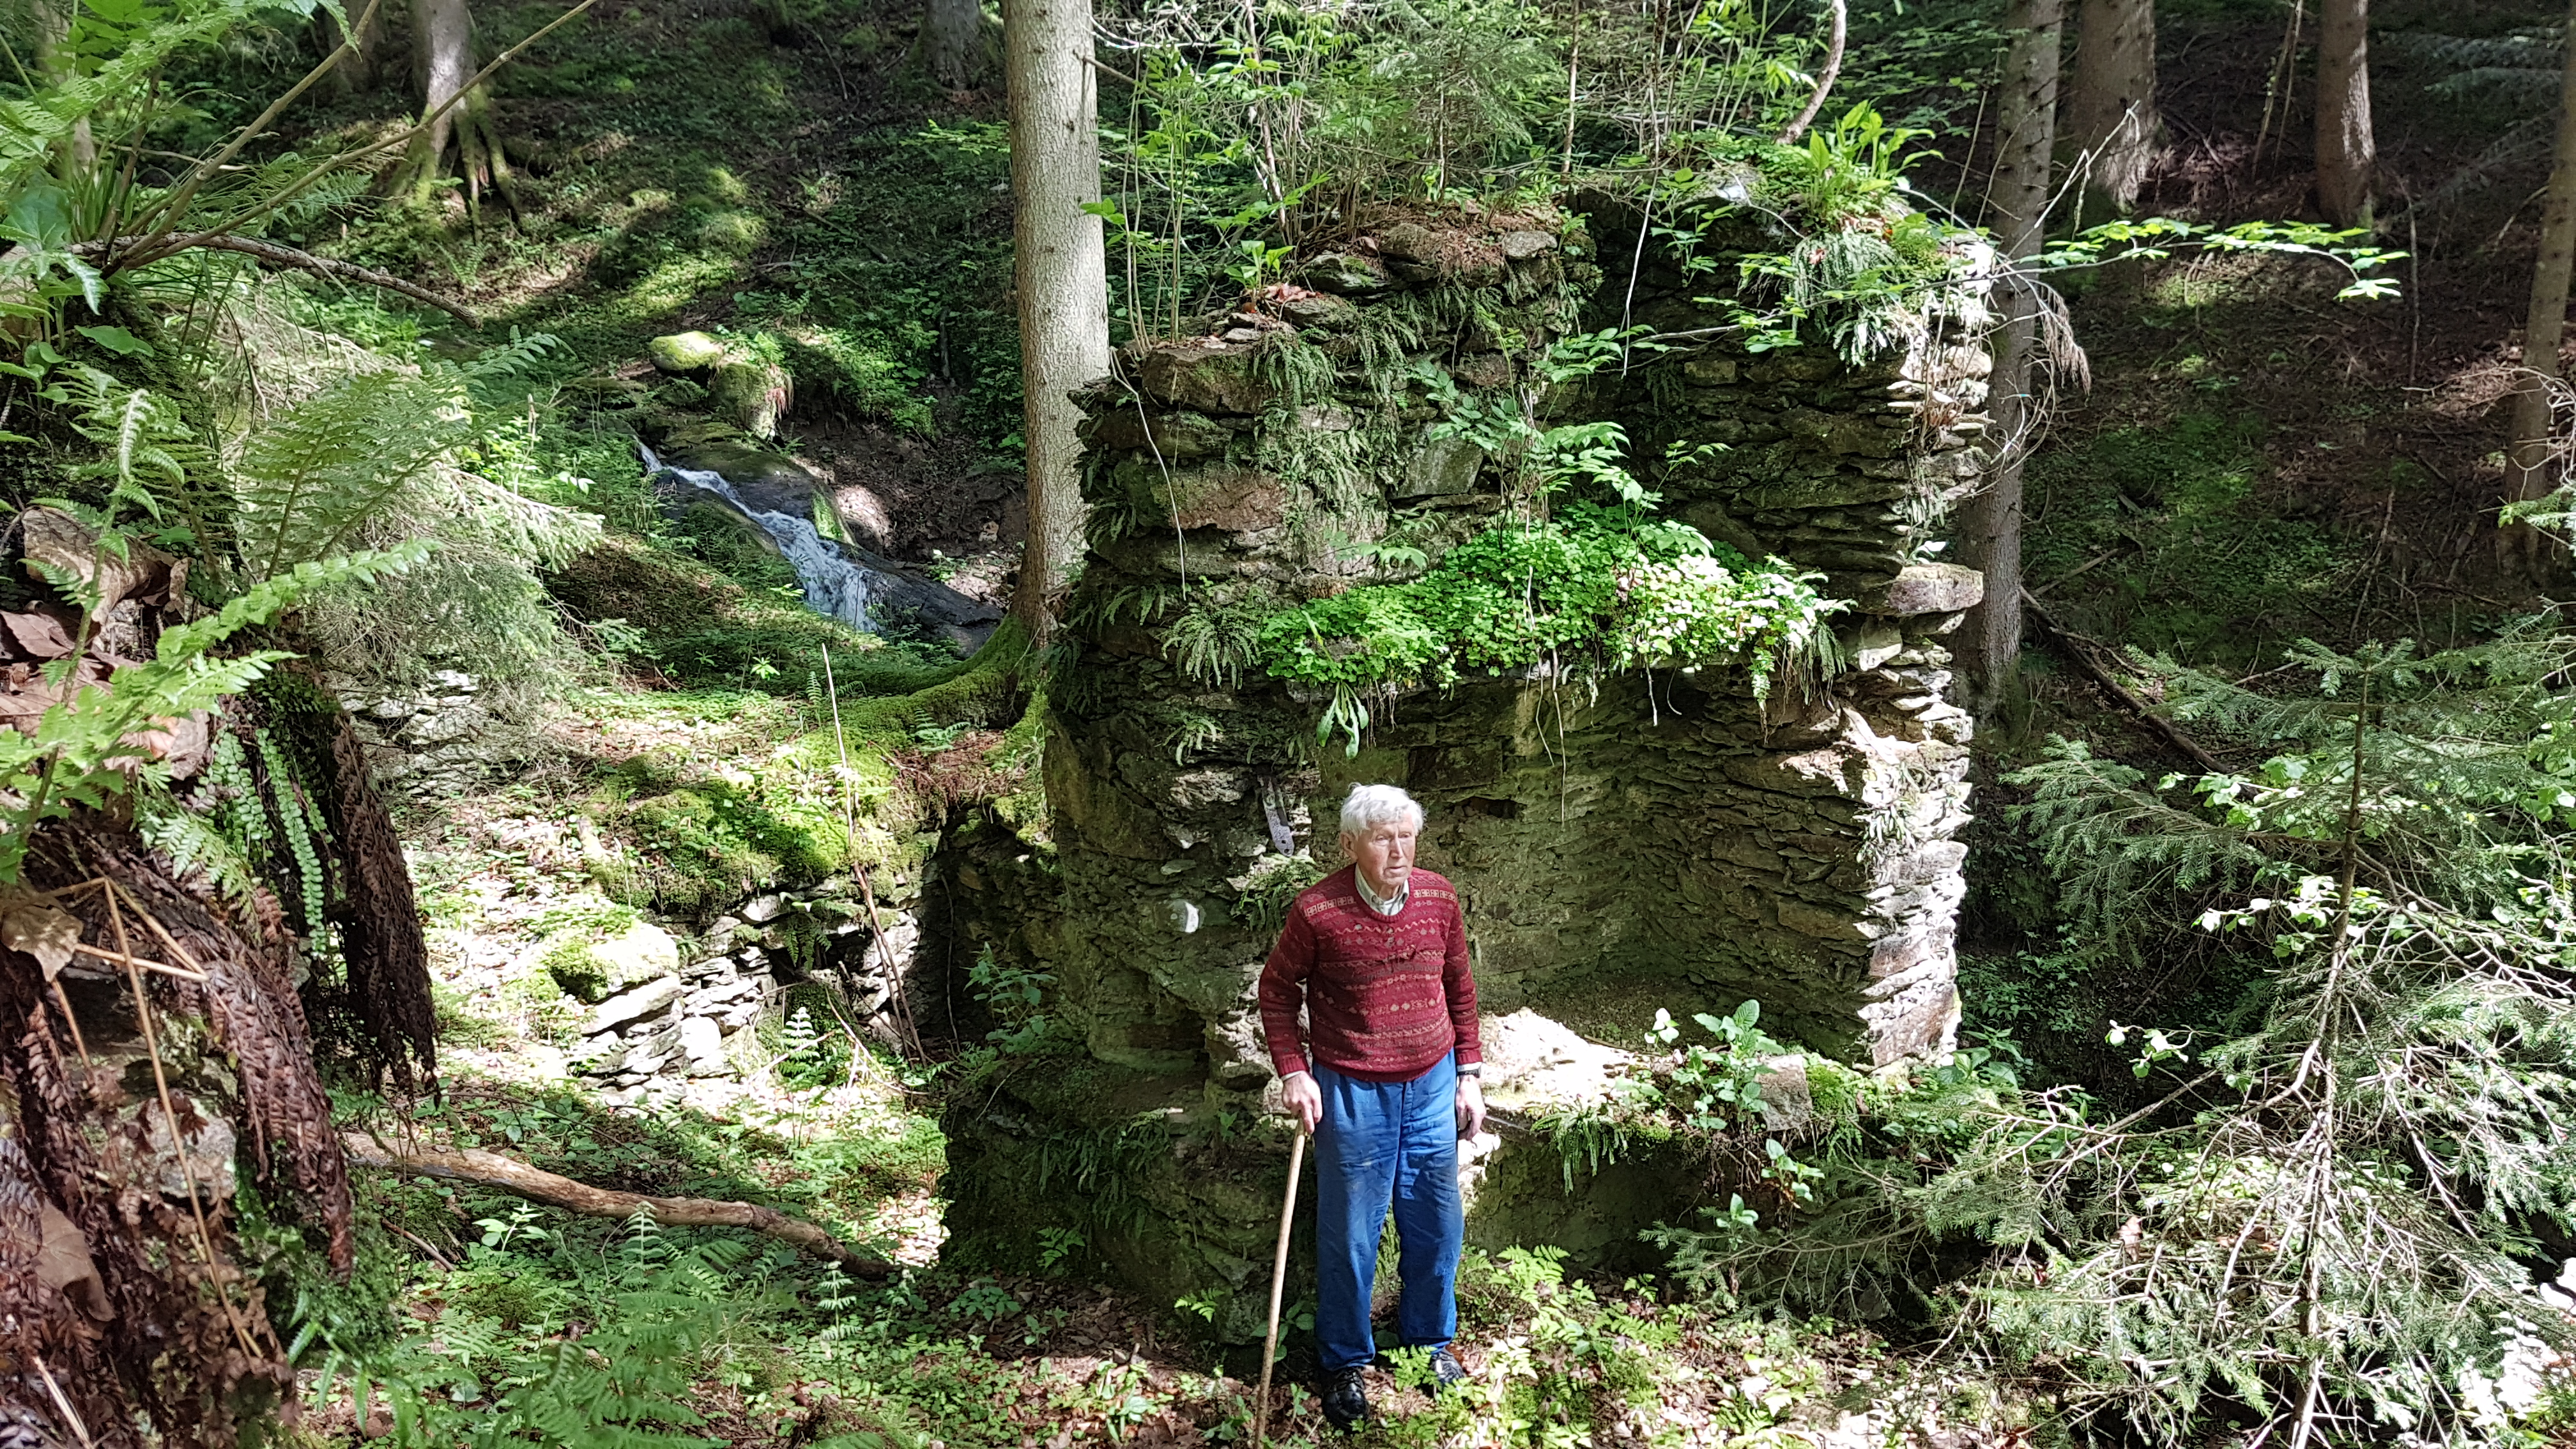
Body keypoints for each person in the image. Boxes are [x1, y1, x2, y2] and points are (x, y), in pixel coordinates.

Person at [1257, 783, 1486, 1430]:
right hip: (1353, 1088)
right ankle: (1345, 1362)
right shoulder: (1317, 912)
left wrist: (1469, 1074)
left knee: (1436, 1223)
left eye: (1406, 836)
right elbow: (1277, 992)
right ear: (1349, 844)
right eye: (1383, 838)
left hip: (1433, 1082)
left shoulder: (1439, 898)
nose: (1398, 851)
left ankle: (1429, 1344)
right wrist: (1294, 1072)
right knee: (1351, 1234)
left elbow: (1460, 986)